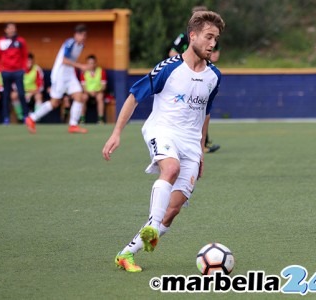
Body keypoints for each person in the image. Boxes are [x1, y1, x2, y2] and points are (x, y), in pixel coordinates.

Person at [102, 11, 225, 272]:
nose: (213, 44)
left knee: (174, 210)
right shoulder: (168, 68)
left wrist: (201, 151)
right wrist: (116, 133)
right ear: (192, 36)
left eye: (216, 38)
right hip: (163, 129)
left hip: (191, 142)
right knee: (171, 169)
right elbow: (134, 96)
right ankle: (151, 225)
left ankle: (126, 254)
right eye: (208, 37)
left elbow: (206, 112)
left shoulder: (214, 76)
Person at [168, 6, 221, 154]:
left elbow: (215, 56)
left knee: (202, 107)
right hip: (185, 75)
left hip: (203, 75)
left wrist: (203, 56)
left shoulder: (212, 37)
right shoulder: (184, 36)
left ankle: (203, 142)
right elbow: (172, 51)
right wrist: (185, 63)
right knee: (187, 106)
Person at [25, 24, 89, 134]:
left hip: (69, 74)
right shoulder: (70, 43)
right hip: (59, 74)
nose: (83, 37)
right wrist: (81, 66)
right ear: (76, 35)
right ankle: (32, 118)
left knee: (79, 96)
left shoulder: (81, 45)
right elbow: (64, 60)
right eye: (81, 35)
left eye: (85, 35)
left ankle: (73, 125)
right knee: (54, 103)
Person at [0, 22, 29, 125]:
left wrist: (23, 69)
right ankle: (6, 118)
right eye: (9, 28)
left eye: (13, 28)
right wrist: (0, 69)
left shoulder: (21, 41)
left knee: (22, 94)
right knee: (6, 95)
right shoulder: (0, 41)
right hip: (6, 72)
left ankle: (26, 116)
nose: (12, 30)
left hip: (18, 72)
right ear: (5, 30)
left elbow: (25, 55)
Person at [79, 54, 107, 124]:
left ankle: (100, 119)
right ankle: (82, 119)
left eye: (93, 63)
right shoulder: (83, 72)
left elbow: (104, 86)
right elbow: (83, 86)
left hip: (98, 92)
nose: (91, 65)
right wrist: (89, 92)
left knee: (100, 97)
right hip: (87, 92)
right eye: (89, 63)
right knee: (83, 97)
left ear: (95, 63)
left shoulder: (101, 71)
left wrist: (97, 91)